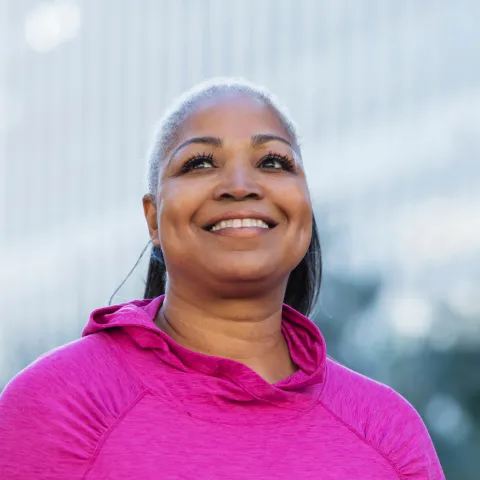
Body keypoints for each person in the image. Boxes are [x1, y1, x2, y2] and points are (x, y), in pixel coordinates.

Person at [0, 78, 445, 479]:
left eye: (272, 162)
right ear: (153, 220)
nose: (239, 185)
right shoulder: (57, 405)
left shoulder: (388, 431)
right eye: (198, 164)